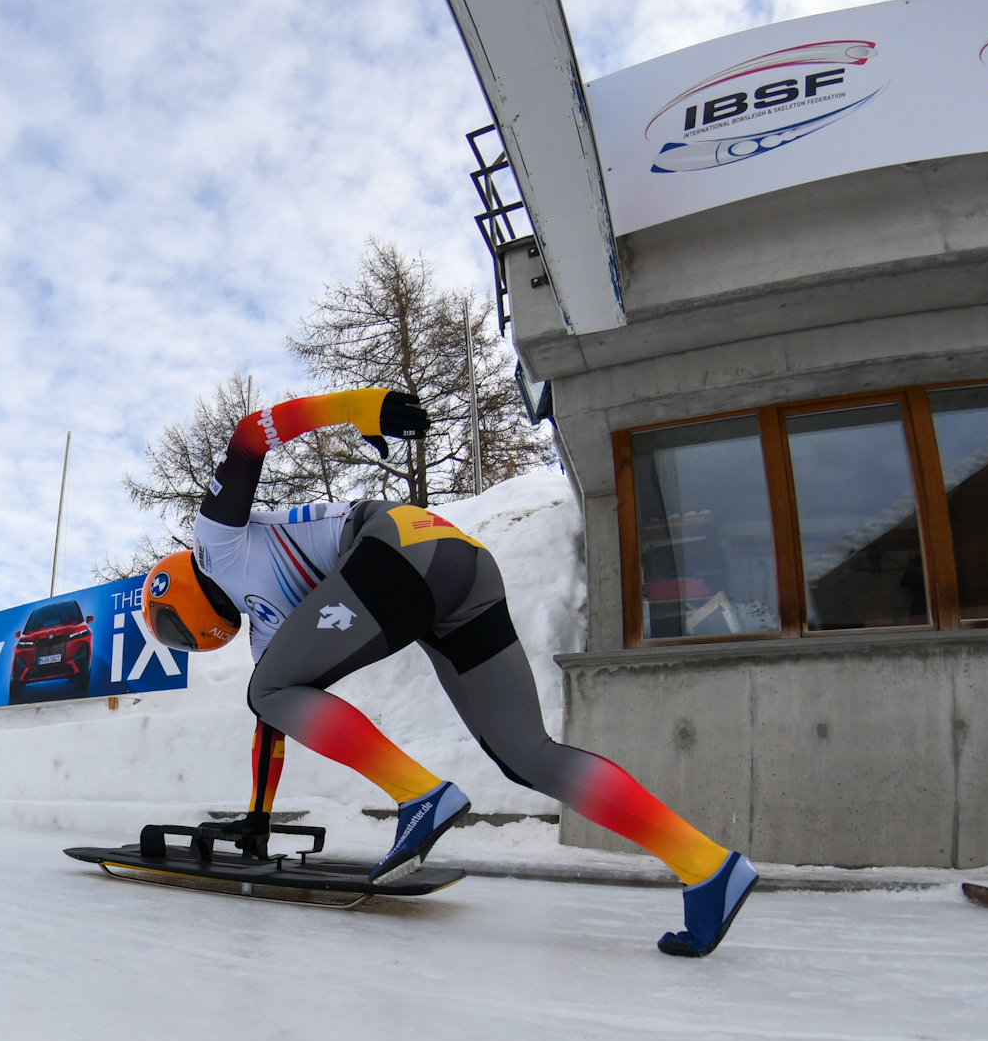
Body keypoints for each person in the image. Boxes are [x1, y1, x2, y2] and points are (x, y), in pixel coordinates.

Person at [140, 388, 757, 957]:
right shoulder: (268, 629)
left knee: (269, 688)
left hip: (395, 547)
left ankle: (421, 797)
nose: (184, 639)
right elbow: (271, 726)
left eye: (171, 628)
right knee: (526, 754)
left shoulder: (217, 543)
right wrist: (258, 817)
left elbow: (250, 435)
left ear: (176, 590)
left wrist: (361, 407)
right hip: (459, 569)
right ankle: (706, 865)